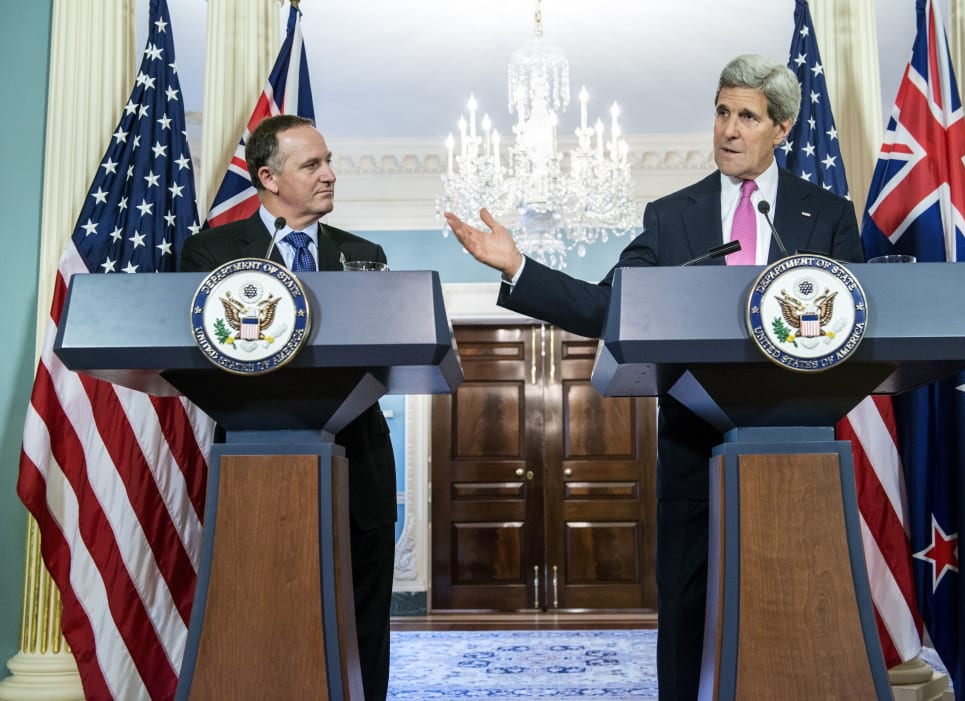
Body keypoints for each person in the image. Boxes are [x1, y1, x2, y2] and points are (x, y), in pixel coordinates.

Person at [444, 54, 864, 700]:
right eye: (722, 112)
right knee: (687, 628)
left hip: (795, 450)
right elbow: (607, 304)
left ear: (782, 128)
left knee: (795, 611)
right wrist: (517, 265)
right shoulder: (673, 216)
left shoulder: (826, 216)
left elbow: (853, 327)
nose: (728, 128)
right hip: (694, 451)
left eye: (747, 116)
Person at [180, 114, 396, 701]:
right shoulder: (211, 253)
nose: (329, 175)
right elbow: (207, 354)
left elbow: (387, 353)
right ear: (269, 178)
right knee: (259, 619)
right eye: (313, 165)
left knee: (363, 627)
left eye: (328, 162)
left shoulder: (364, 255)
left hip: (359, 465)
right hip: (258, 468)